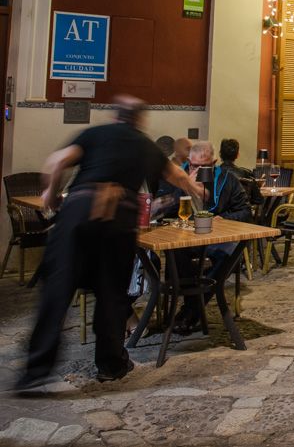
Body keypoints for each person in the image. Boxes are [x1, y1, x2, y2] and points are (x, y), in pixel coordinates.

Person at [16, 96, 206, 390]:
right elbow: (177, 175)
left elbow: (57, 162)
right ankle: (111, 364)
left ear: (116, 116)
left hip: (79, 211)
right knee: (111, 294)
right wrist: (194, 187)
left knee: (57, 291)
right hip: (119, 219)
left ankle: (35, 371)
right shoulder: (144, 145)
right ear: (140, 120)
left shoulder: (95, 134)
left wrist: (51, 197)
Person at [174, 140, 253, 333]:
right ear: (188, 162)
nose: (199, 170)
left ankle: (191, 309)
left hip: (216, 238)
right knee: (175, 252)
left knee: (232, 251)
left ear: (214, 162)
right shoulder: (176, 177)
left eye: (205, 166)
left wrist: (223, 218)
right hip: (182, 237)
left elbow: (245, 211)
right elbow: (163, 207)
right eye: (194, 165)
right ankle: (191, 306)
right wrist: (186, 186)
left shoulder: (227, 179)